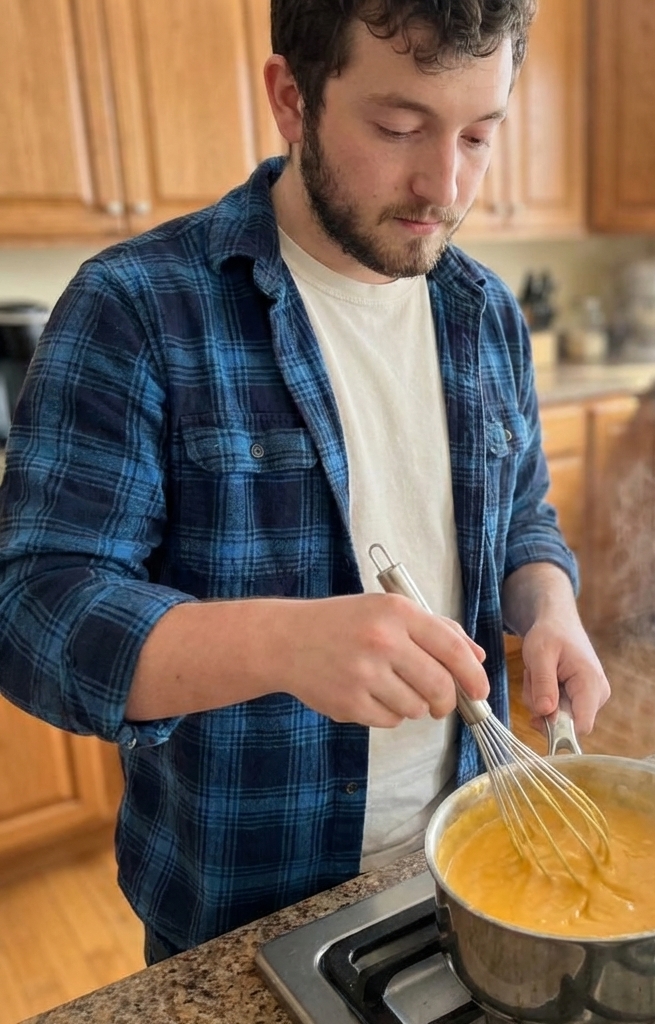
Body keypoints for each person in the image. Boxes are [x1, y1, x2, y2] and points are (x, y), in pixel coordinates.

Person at [0, 0, 610, 964]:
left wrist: (549, 606)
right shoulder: (138, 307)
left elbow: (523, 514)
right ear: (292, 98)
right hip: (240, 914)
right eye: (399, 127)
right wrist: (284, 641)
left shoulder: (485, 312)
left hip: (456, 870)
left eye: (480, 135)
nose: (442, 184)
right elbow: (32, 609)